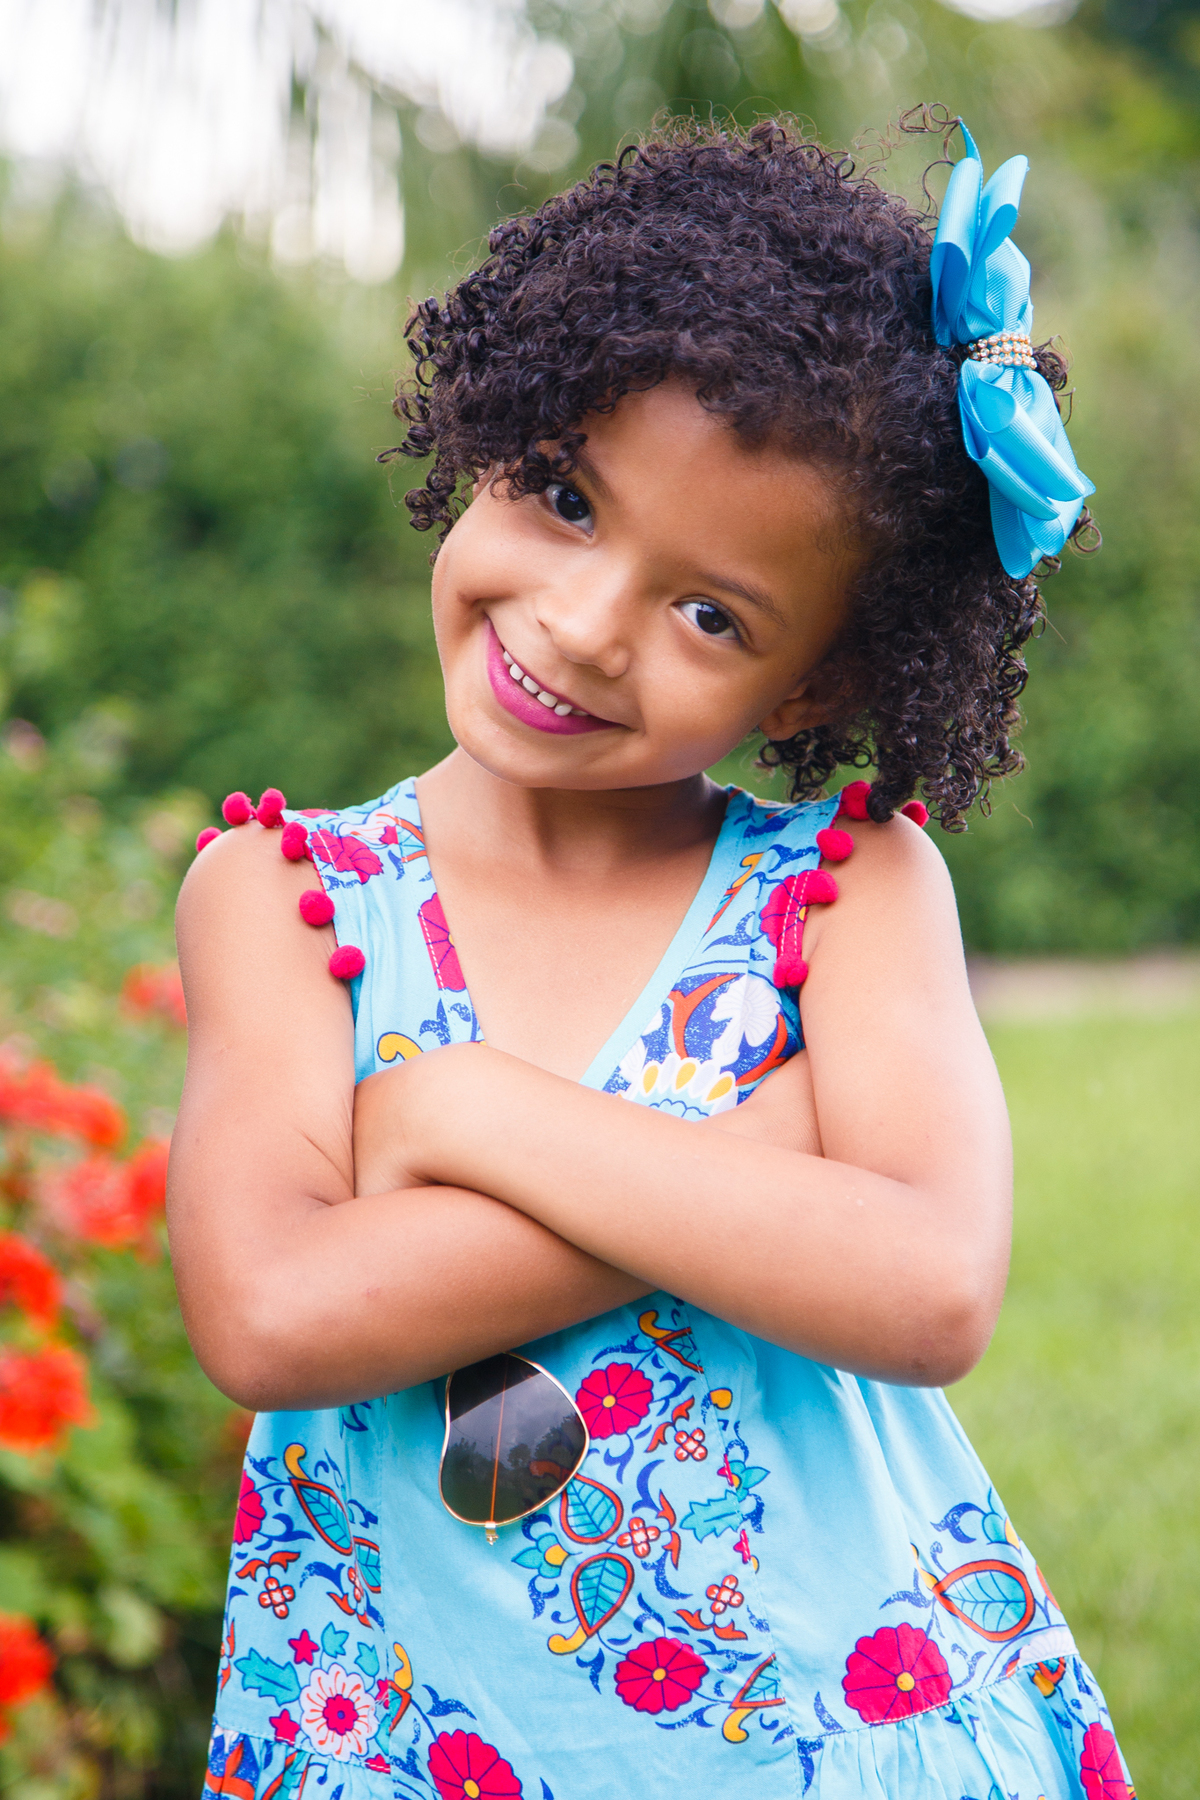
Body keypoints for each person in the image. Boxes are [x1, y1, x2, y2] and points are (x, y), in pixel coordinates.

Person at [172, 116, 1131, 1799]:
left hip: (843, 1731)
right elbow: (271, 1313)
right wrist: (765, 1164)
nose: (585, 622)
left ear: (819, 685)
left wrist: (469, 1112)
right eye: (562, 495)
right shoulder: (285, 894)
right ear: (489, 431)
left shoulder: (851, 888)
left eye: (713, 615)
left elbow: (927, 1285)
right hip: (410, 1744)